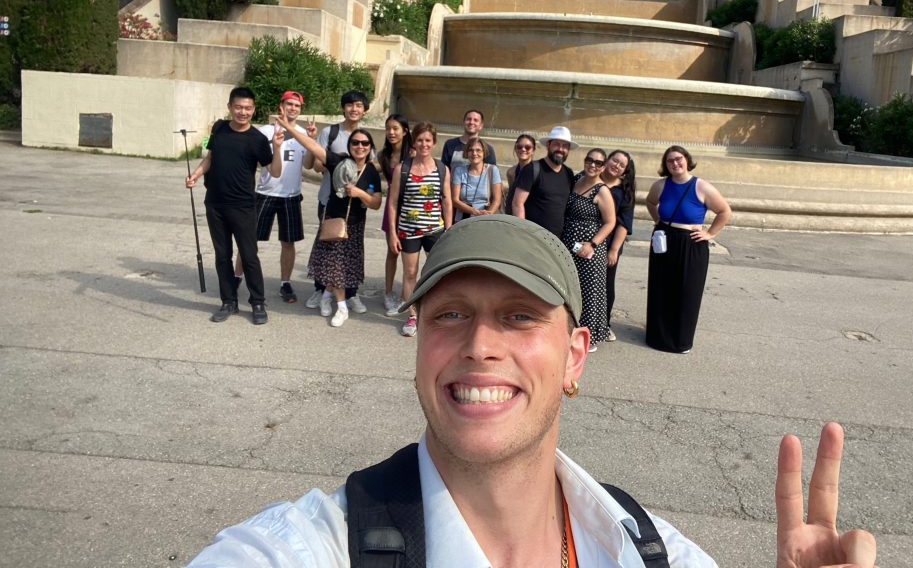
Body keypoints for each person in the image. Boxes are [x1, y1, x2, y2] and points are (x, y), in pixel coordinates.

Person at [187, 215, 877, 568]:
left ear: (577, 357)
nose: (480, 345)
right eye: (450, 313)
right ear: (418, 339)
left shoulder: (651, 551)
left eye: (520, 316)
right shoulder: (313, 547)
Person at [185, 87, 283, 325]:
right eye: (238, 107)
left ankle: (258, 302)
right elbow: (211, 157)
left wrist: (277, 147)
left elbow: (276, 172)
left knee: (249, 255)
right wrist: (196, 175)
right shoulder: (219, 128)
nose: (243, 112)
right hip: (215, 204)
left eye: (248, 108)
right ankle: (229, 302)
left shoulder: (258, 139)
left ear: (254, 110)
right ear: (230, 107)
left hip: (243, 206)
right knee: (222, 255)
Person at [644, 146, 731, 354]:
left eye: (678, 159)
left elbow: (724, 211)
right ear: (665, 165)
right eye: (670, 161)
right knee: (660, 288)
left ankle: (680, 341)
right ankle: (657, 336)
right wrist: (658, 220)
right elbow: (650, 202)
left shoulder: (702, 186)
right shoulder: (661, 185)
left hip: (690, 243)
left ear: (687, 160)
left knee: (687, 291)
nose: (675, 164)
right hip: (664, 239)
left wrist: (710, 234)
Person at [232, 90, 315, 305]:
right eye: (289, 104)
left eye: (297, 105)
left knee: (288, 242)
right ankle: (236, 278)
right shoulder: (264, 131)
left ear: (301, 109)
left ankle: (285, 283)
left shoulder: (302, 133)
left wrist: (311, 141)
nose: (293, 108)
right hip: (265, 193)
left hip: (291, 196)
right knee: (249, 241)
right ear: (281, 106)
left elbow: (308, 165)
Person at [297, 127, 383, 326]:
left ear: (370, 148)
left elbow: (376, 203)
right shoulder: (338, 161)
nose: (359, 146)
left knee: (344, 267)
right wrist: (289, 128)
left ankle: (327, 296)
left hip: (355, 225)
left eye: (364, 143)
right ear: (349, 145)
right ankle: (342, 307)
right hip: (334, 221)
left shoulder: (371, 172)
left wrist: (359, 193)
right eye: (355, 142)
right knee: (336, 266)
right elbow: (313, 147)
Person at [387, 121, 453, 338]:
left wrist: (449, 229)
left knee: (436, 272)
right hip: (409, 230)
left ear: (434, 143)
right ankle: (412, 314)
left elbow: (446, 201)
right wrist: (393, 233)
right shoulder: (402, 169)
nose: (424, 144)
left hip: (435, 228)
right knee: (410, 273)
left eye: (428, 140)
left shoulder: (442, 169)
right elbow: (393, 202)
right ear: (414, 142)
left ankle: (436, 311)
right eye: (420, 140)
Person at [307, 90, 369, 310]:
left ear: (365, 110)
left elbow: (371, 167)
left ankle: (350, 293)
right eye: (350, 105)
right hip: (329, 199)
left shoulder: (364, 137)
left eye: (359, 105)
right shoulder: (331, 133)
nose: (354, 109)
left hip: (353, 204)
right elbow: (315, 166)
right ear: (344, 108)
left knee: (351, 248)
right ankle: (321, 290)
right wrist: (338, 164)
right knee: (327, 244)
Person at [561, 148, 616, 352]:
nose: (593, 165)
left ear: (603, 167)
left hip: (589, 249)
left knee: (589, 291)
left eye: (599, 163)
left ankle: (589, 335)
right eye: (590, 160)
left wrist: (591, 244)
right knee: (570, 288)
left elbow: (610, 223)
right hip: (568, 243)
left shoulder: (602, 191)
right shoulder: (576, 180)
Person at [510, 125, 576, 236]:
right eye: (556, 144)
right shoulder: (532, 169)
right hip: (532, 236)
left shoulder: (568, 173)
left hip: (557, 240)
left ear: (568, 149)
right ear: (548, 145)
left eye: (565, 146)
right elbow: (517, 203)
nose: (560, 149)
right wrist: (522, 233)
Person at [376, 114, 411, 316]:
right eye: (388, 128)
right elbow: (369, 172)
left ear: (405, 131)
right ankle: (388, 292)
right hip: (393, 206)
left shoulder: (413, 154)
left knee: (410, 253)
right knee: (392, 250)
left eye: (395, 128)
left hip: (411, 207)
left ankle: (409, 294)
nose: (391, 132)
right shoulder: (384, 156)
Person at [600, 149, 636, 342]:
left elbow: (624, 222)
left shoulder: (624, 191)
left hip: (609, 243)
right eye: (615, 161)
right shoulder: (591, 179)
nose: (617, 166)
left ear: (624, 171)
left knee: (606, 284)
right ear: (607, 160)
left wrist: (614, 250)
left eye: (622, 165)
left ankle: (604, 324)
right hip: (585, 238)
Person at [451, 137, 502, 221]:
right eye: (471, 150)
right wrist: (474, 212)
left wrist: (487, 215)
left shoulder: (493, 170)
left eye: (478, 150)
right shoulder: (459, 171)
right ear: (467, 153)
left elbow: (497, 200)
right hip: (463, 219)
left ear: (484, 152)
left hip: (486, 218)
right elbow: (455, 200)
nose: (474, 153)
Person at [503, 132, 536, 208]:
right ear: (515, 148)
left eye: (527, 147)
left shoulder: (537, 171)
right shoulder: (511, 172)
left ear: (533, 150)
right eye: (519, 147)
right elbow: (512, 196)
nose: (523, 149)